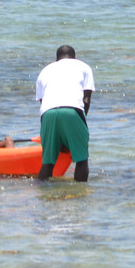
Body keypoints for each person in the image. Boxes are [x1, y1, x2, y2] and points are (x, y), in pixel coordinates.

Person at [34, 45, 95, 181]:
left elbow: (43, 102)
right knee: (81, 160)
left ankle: (42, 195)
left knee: (48, 163)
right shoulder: (84, 67)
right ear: (74, 57)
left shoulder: (45, 70)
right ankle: (80, 196)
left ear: (57, 59)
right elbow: (86, 100)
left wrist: (60, 136)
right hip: (72, 110)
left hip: (48, 113)